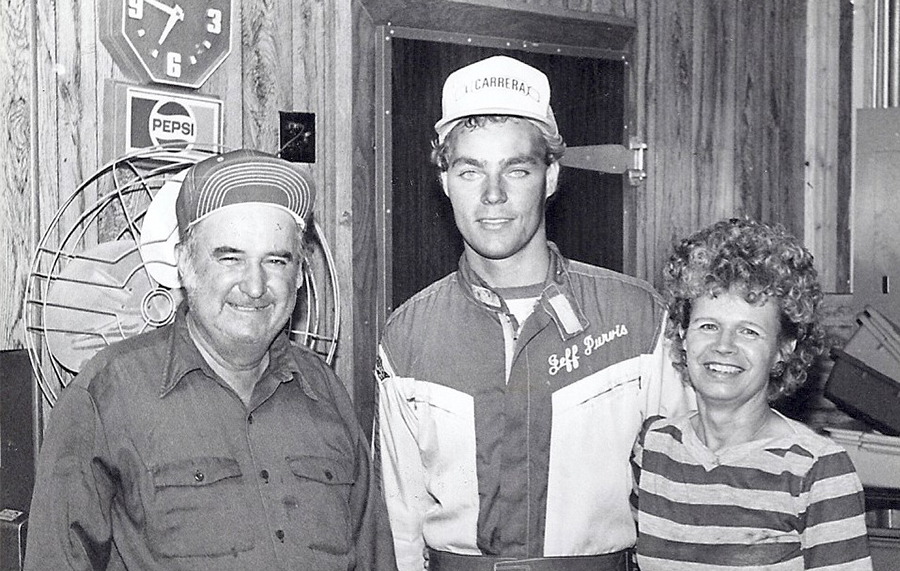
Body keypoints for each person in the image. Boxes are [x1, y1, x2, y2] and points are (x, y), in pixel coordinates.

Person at [374, 55, 694, 571]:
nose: (493, 195)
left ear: (550, 177)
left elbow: (682, 507)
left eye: (516, 169)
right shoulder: (409, 335)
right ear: (444, 181)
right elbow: (399, 526)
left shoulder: (636, 319)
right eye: (470, 170)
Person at [24, 149, 396, 571]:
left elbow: (374, 557)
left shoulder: (326, 391)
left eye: (276, 260)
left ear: (299, 275)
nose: (255, 286)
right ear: (184, 263)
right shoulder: (106, 396)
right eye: (230, 258)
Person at [630, 217, 873, 570]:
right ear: (682, 334)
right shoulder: (654, 449)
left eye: (749, 332)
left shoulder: (816, 469)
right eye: (708, 326)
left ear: (783, 348)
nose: (723, 346)